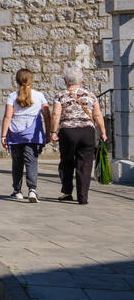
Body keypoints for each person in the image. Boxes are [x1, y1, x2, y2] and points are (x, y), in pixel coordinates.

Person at [50, 65, 107, 205]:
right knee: (85, 164)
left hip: (68, 131)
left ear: (65, 81)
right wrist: (103, 132)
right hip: (87, 131)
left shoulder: (60, 96)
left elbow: (56, 114)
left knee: (66, 161)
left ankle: (67, 192)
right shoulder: (90, 95)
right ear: (81, 81)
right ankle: (83, 197)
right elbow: (97, 115)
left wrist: (53, 132)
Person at [1, 67, 52, 202]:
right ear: (31, 80)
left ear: (17, 80)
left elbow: (7, 116)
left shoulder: (12, 96)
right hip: (32, 133)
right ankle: (32, 190)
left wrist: (3, 136)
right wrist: (48, 133)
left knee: (17, 162)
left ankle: (17, 191)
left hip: (15, 133)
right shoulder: (39, 96)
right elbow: (47, 116)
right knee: (31, 162)